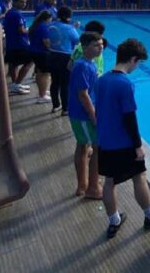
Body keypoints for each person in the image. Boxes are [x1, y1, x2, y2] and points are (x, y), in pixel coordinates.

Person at [96, 39, 150, 239]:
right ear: (133, 59)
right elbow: (129, 118)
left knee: (109, 181)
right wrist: (138, 146)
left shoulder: (101, 80)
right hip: (124, 143)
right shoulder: (124, 84)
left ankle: (114, 221)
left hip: (105, 141)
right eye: (138, 63)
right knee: (139, 177)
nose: (137, 67)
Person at [68, 32, 104, 199]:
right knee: (96, 149)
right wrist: (94, 116)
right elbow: (83, 94)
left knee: (82, 146)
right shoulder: (82, 66)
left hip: (80, 114)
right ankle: (93, 188)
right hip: (83, 115)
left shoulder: (89, 63)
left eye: (101, 44)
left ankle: (83, 185)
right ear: (85, 47)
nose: (101, 47)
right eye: (96, 45)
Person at [47, 6, 80, 115]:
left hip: (51, 55)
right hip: (65, 57)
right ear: (68, 17)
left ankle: (55, 105)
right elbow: (77, 41)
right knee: (65, 83)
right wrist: (74, 28)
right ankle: (65, 108)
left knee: (55, 81)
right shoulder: (70, 28)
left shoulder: (50, 25)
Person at [3, 0, 33, 95]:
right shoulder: (17, 14)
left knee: (13, 64)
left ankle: (15, 85)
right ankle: (17, 83)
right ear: (14, 2)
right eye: (21, 2)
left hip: (11, 43)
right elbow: (21, 30)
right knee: (30, 62)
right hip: (20, 44)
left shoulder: (10, 13)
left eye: (24, 2)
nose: (23, 4)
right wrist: (29, 31)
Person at [29, 11, 53, 103]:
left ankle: (41, 92)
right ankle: (42, 96)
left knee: (40, 72)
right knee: (45, 74)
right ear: (48, 18)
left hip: (35, 52)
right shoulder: (44, 27)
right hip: (42, 53)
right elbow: (47, 43)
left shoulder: (36, 25)